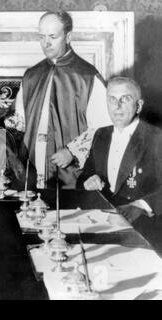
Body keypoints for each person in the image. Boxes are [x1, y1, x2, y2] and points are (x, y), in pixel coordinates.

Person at [11, 10, 111, 189]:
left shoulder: (87, 76)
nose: (46, 43)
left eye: (52, 36)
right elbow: (19, 122)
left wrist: (73, 151)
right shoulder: (31, 75)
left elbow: (104, 128)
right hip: (32, 166)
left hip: (69, 171)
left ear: (68, 36)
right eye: (41, 37)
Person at [77, 77, 162, 226]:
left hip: (143, 226)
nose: (117, 106)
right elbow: (84, 176)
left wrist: (140, 206)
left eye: (125, 99)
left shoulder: (156, 138)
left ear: (139, 105)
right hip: (102, 221)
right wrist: (88, 181)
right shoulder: (101, 134)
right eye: (112, 99)